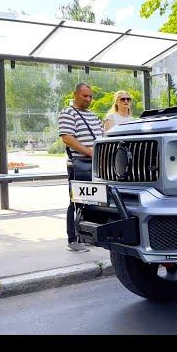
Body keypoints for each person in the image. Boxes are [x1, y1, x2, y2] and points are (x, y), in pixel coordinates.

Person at [58, 83, 104, 252]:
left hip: (95, 165)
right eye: (85, 96)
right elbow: (67, 138)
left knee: (94, 200)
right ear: (75, 94)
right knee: (76, 202)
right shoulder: (68, 113)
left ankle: (87, 236)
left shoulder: (93, 115)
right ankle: (73, 239)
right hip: (79, 164)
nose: (88, 99)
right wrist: (90, 152)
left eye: (90, 96)